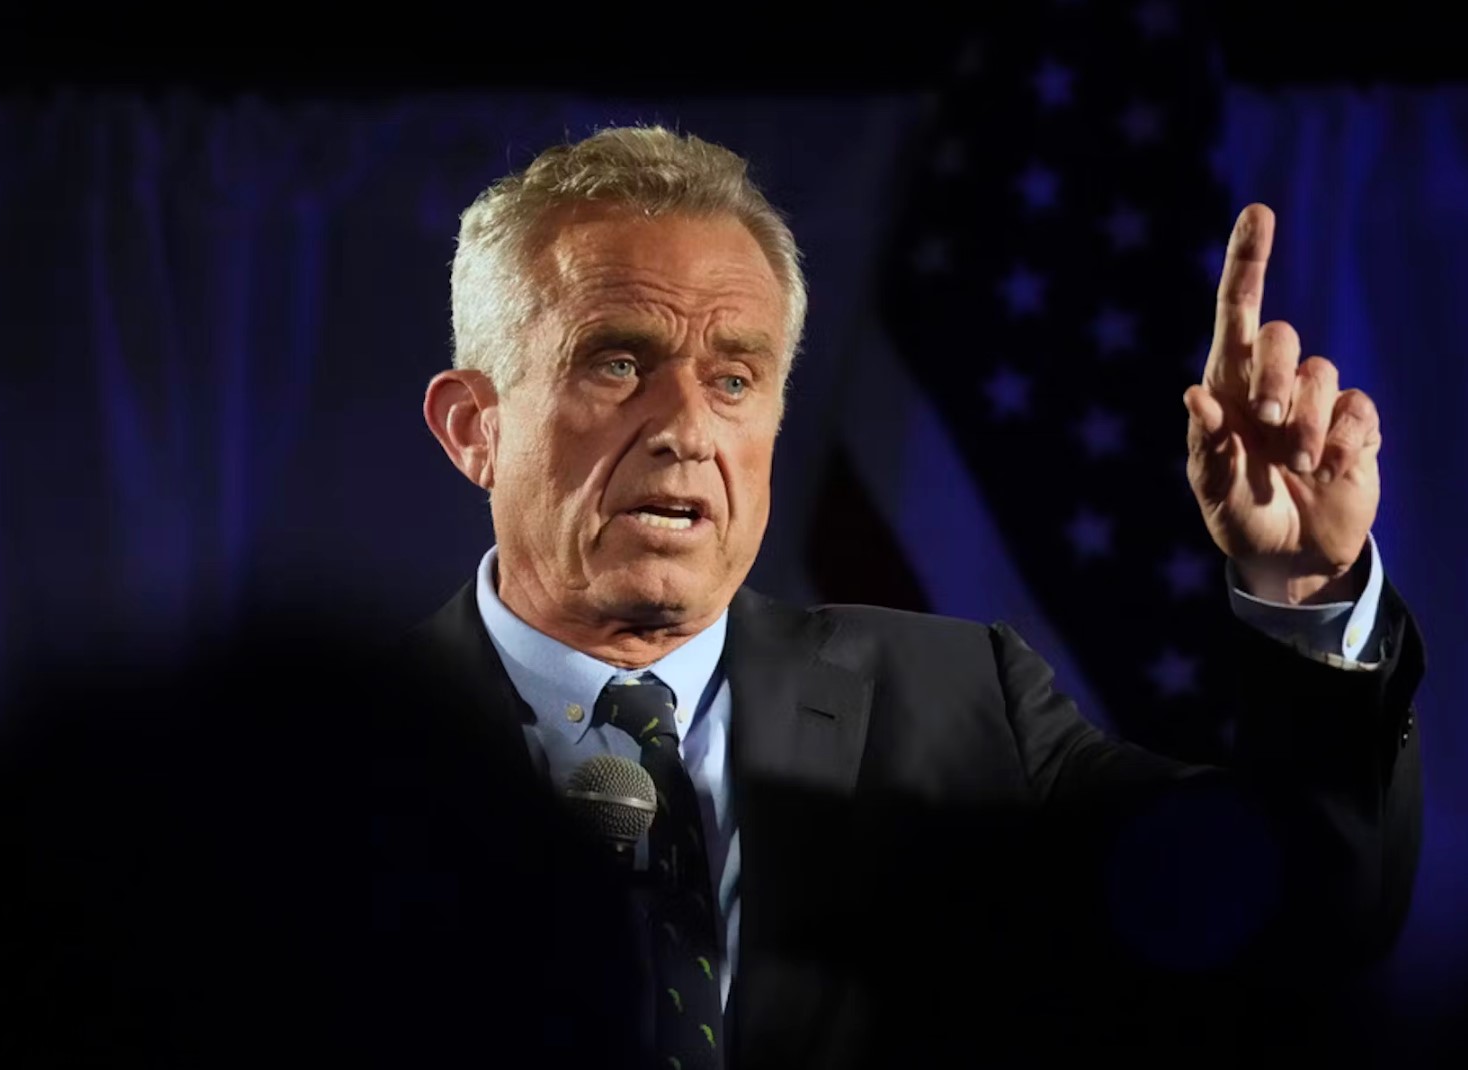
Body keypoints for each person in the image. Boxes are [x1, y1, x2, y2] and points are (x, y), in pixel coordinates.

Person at [397, 126, 1423, 1068]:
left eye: (735, 377)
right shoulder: (330, 764)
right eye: (617, 362)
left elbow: (1294, 913)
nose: (685, 428)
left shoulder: (961, 704)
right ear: (473, 427)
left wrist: (1304, 589)